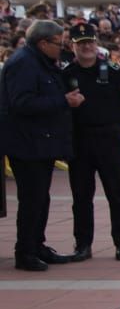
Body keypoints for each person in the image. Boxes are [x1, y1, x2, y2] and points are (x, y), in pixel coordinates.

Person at [0, 20, 82, 271]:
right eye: (58, 43)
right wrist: (63, 101)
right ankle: (25, 251)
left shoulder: (41, 62)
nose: (62, 48)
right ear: (43, 43)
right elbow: (21, 103)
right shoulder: (23, 63)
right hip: (26, 143)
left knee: (40, 198)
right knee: (31, 199)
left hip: (40, 141)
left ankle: (37, 245)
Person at [66, 25, 120, 262]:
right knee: (81, 196)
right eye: (81, 43)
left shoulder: (115, 71)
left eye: (90, 42)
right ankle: (83, 244)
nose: (86, 47)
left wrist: (116, 122)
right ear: (73, 46)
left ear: (96, 43)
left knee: (116, 194)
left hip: (109, 138)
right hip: (80, 140)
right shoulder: (66, 74)